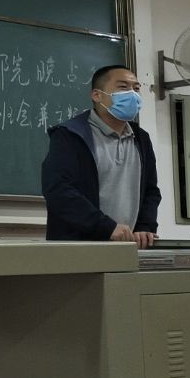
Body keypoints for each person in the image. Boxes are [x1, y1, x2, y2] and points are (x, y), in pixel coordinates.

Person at [42, 64, 161, 246]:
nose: (132, 94)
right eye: (123, 87)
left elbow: (151, 191)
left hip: (129, 246)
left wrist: (145, 226)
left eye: (136, 88)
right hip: (79, 247)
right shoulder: (71, 135)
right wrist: (106, 227)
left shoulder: (141, 138)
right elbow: (59, 190)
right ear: (97, 95)